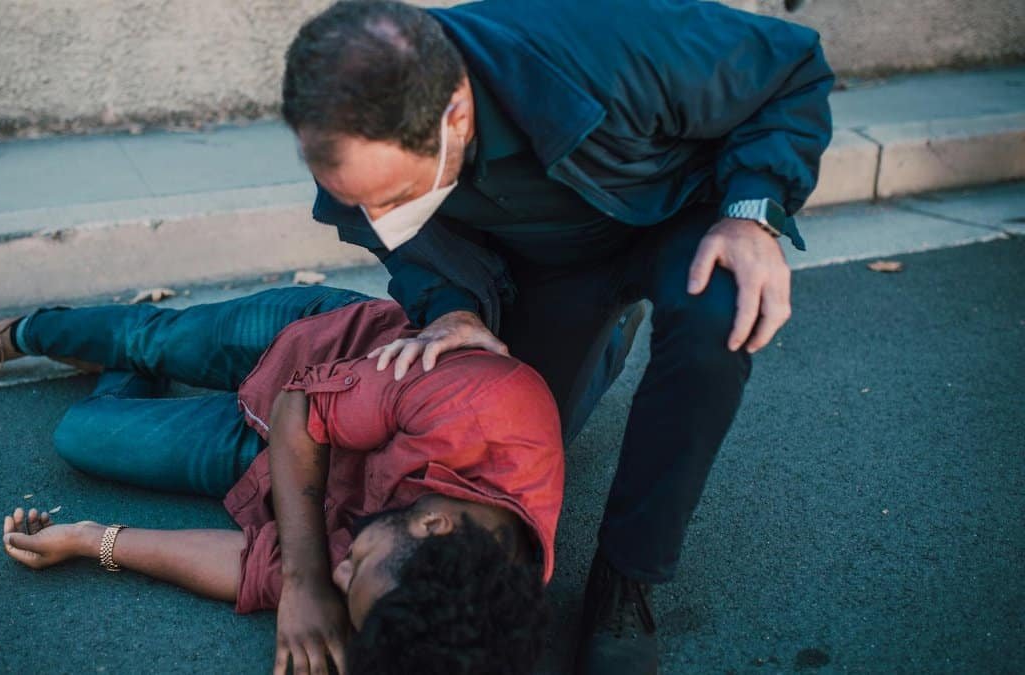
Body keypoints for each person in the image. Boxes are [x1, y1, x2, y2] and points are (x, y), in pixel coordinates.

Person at [281, 1, 835, 672]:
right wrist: (451, 306)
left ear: (455, 114)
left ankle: (627, 577)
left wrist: (754, 212)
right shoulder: (348, 142)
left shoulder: (616, 40)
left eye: (393, 196)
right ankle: (606, 333)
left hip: (677, 218)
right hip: (542, 268)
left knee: (718, 317)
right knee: (523, 428)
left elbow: (792, 67)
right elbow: (407, 247)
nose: (379, 216)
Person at [0, 284, 561, 675]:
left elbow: (253, 564)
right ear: (435, 521)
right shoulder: (491, 407)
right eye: (351, 569)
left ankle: (114, 364)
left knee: (78, 436)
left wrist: (91, 539)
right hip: (315, 350)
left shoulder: (427, 593)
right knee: (161, 338)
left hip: (273, 465)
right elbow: (300, 411)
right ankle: (23, 331)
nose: (339, 573)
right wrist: (307, 579)